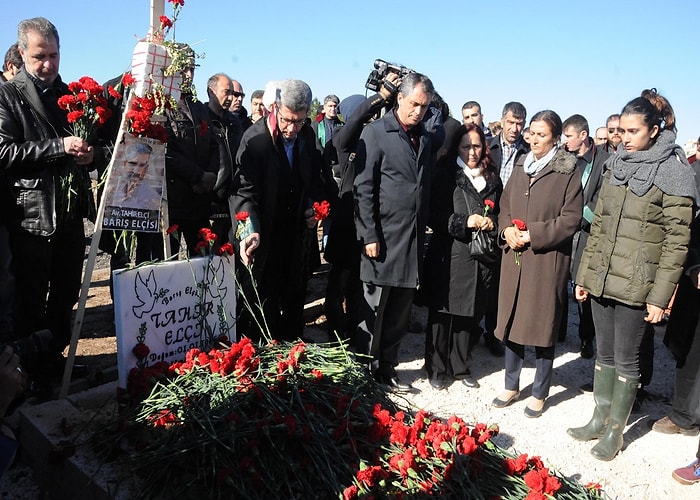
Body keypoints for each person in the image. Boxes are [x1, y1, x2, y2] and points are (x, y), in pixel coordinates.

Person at [570, 89, 697, 461]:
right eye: (620, 131)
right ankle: (599, 417)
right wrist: (585, 276)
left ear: (654, 130)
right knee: (604, 355)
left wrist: (660, 298)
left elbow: (677, 242)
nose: (622, 138)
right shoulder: (614, 165)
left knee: (627, 359)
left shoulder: (674, 172)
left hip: (637, 284)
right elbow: (601, 225)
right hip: (603, 277)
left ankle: (615, 432)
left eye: (631, 132)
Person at [0, 17, 98, 387]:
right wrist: (59, 146)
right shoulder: (8, 96)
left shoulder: (70, 95)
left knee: (65, 293)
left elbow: (97, 141)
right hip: (31, 216)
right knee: (30, 300)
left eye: (54, 55)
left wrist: (92, 155)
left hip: (70, 216)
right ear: (22, 53)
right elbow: (4, 151)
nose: (49, 64)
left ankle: (53, 360)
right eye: (40, 56)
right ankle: (27, 374)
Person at [492, 110, 582, 418]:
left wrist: (532, 234)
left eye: (541, 135)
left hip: (545, 261)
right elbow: (504, 205)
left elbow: (570, 220)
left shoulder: (568, 172)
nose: (534, 140)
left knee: (543, 326)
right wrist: (507, 230)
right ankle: (511, 383)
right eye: (532, 133)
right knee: (513, 318)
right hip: (515, 257)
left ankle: (540, 391)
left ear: (556, 138)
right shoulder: (521, 165)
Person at [353, 72, 437, 392]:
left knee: (400, 310)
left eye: (424, 106)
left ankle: (387, 368)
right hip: (382, 237)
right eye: (414, 104)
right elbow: (364, 188)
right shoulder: (375, 133)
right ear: (399, 98)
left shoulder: (424, 138)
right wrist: (369, 235)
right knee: (373, 309)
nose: (419, 111)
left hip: (411, 239)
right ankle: (363, 370)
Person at [231, 79, 326, 342]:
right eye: (286, 120)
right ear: (274, 108)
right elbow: (242, 192)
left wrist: (312, 209)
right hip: (264, 232)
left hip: (295, 233)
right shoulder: (255, 139)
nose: (291, 128)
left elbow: (314, 181)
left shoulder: (306, 136)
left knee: (294, 296)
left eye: (299, 121)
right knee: (263, 301)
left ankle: (293, 356)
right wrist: (248, 230)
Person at [421, 123, 502, 390]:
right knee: (442, 314)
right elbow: (432, 213)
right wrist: (464, 222)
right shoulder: (445, 174)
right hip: (450, 254)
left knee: (469, 313)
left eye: (477, 146)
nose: (471, 152)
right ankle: (436, 366)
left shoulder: (492, 178)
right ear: (457, 146)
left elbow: (500, 212)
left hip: (479, 257)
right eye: (466, 146)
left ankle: (460, 366)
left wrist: (493, 224)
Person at [163, 44, 219, 257]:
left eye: (192, 69)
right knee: (171, 266)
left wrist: (210, 176)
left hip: (200, 201)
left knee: (204, 262)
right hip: (175, 203)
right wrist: (198, 176)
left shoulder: (198, 106)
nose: (188, 74)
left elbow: (214, 144)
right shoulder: (162, 105)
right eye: (182, 68)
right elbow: (166, 150)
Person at [562, 114, 609, 359]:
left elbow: (601, 199)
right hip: (564, 231)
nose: (565, 140)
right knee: (558, 281)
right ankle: (558, 332)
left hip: (587, 234)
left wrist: (577, 215)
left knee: (583, 286)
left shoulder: (603, 162)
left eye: (568, 136)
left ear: (583, 135)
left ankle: (586, 338)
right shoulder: (565, 158)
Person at [206, 73, 242, 245]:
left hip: (234, 197)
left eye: (233, 94)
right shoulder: (202, 120)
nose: (230, 98)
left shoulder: (235, 122)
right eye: (226, 92)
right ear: (211, 91)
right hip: (211, 198)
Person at [108, 141, 162, 209]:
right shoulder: (112, 190)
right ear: (125, 164)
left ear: (146, 169)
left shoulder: (152, 197)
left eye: (141, 165)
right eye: (133, 164)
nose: (136, 170)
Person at [488, 102, 529, 186]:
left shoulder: (530, 152)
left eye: (519, 124)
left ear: (524, 124)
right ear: (502, 122)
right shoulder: (486, 146)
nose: (514, 129)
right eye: (510, 122)